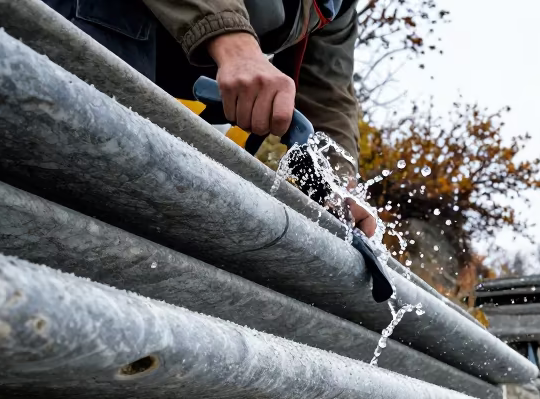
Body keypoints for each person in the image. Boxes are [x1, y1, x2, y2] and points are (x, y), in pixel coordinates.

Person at [42, 0, 376, 235]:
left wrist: (335, 186)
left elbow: (328, 95)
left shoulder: (339, 6)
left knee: (142, 217)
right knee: (64, 189)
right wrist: (234, 45)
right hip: (93, 31)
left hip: (188, 90)